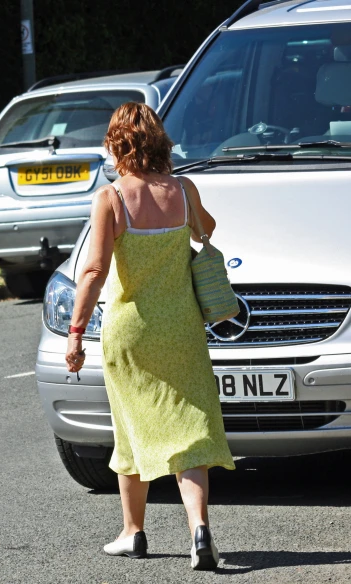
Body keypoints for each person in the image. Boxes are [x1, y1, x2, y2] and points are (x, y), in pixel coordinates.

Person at [65, 102, 235, 570]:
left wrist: (76, 332)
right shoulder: (183, 190)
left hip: (131, 332)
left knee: (132, 429)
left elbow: (95, 269)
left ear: (117, 145)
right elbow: (209, 229)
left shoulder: (112, 199)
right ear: (160, 142)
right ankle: (199, 530)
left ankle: (133, 533)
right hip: (181, 328)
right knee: (190, 430)